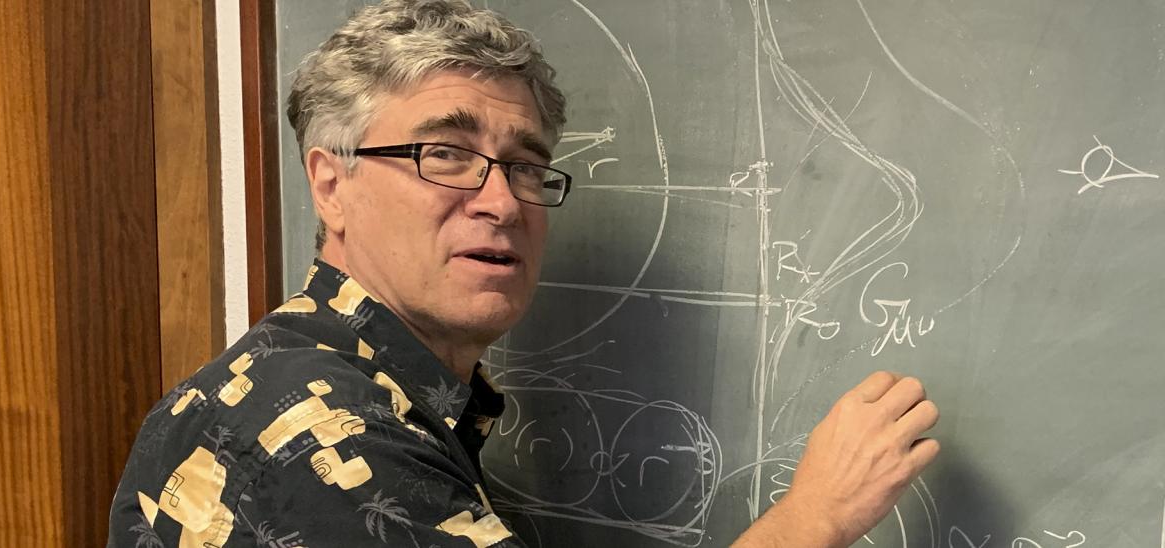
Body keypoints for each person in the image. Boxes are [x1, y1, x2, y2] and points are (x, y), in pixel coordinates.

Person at [106, 1, 940, 546]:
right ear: (332, 182)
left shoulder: (319, 379)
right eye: (445, 153)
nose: (501, 202)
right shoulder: (326, 438)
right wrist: (817, 516)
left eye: (526, 167)